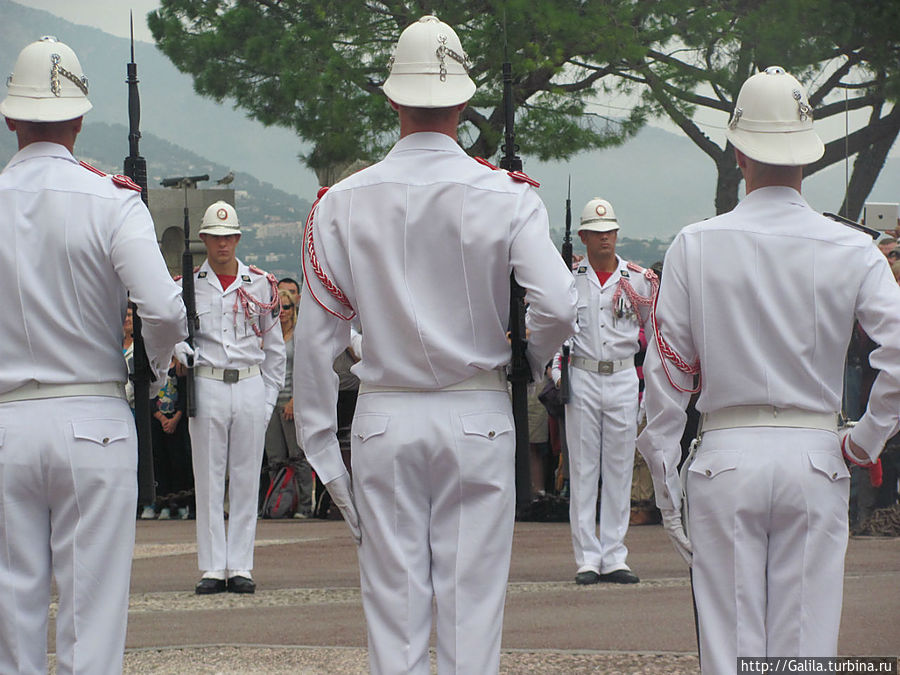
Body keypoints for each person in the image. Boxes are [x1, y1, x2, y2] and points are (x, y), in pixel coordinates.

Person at [293, 15, 577, 675]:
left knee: (394, 621)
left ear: (392, 99)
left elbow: (314, 342)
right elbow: (562, 303)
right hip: (476, 411)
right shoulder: (505, 197)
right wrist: (529, 367)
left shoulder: (341, 203)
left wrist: (320, 450)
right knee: (471, 616)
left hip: (386, 415)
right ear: (464, 101)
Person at [637, 66, 900, 673]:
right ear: (808, 156)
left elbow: (668, 376)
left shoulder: (695, 244)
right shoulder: (853, 247)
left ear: (737, 151)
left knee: (729, 650)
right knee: (805, 647)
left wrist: (665, 473)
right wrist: (864, 440)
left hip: (725, 455)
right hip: (816, 455)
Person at [0, 36, 186, 674]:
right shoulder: (112, 200)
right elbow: (162, 309)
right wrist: (164, 367)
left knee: (11, 612)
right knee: (93, 615)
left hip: (6, 422)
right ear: (80, 118)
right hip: (93, 420)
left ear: (9, 117)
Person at [175, 200, 285, 594]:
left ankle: (240, 565)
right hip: (207, 383)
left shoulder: (261, 283)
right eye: (215, 237)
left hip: (250, 383)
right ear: (204, 238)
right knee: (207, 477)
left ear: (238, 238)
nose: (223, 244)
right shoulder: (184, 285)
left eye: (229, 237)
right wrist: (177, 348)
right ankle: (211, 567)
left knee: (245, 477)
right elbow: (168, 328)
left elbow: (275, 351)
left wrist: (267, 398)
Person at [551, 198, 658, 585]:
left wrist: (651, 387)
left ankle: (614, 553)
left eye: (609, 232)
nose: (604, 240)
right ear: (583, 236)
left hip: (623, 376)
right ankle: (587, 557)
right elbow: (556, 327)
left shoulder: (638, 279)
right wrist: (555, 369)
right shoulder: (568, 277)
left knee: (618, 467)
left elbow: (656, 330)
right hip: (582, 375)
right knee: (583, 468)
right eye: (596, 234)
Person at [263, 288, 312, 517]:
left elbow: (305, 371)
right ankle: (280, 503)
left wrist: (295, 400)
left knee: (298, 456)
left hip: (291, 400)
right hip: (270, 401)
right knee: (275, 459)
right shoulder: (268, 335)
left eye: (287, 307)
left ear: (295, 309)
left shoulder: (301, 335)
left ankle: (304, 506)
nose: (282, 312)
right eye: (278, 308)